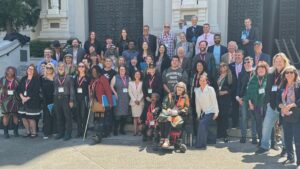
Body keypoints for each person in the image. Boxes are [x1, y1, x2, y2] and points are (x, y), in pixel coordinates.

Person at [256, 53, 290, 154]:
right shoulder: (271, 73)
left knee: (285, 128)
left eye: (280, 61)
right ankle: (264, 146)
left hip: (284, 105)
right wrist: (267, 102)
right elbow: (267, 89)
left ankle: (286, 148)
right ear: (274, 62)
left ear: (284, 62)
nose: (278, 63)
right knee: (266, 125)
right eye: (276, 61)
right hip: (272, 105)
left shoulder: (288, 73)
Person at [278, 66, 300, 168]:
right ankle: (290, 158)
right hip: (285, 115)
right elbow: (278, 99)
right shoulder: (282, 85)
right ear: (284, 75)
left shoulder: (298, 85)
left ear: (295, 74)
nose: (289, 74)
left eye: (291, 72)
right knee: (287, 138)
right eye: (287, 72)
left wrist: (290, 106)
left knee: (297, 139)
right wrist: (283, 107)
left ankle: (299, 162)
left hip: (296, 115)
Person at [158, 82, 190, 148]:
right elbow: (164, 103)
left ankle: (167, 140)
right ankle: (162, 138)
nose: (179, 88)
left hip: (179, 115)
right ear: (176, 87)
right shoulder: (170, 95)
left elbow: (187, 108)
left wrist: (178, 112)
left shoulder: (185, 97)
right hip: (169, 113)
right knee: (162, 116)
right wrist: (167, 109)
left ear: (184, 89)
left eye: (182, 87)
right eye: (178, 86)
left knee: (169, 118)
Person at [245, 61, 269, 145]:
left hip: (266, 105)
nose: (261, 70)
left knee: (268, 124)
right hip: (256, 105)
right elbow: (248, 92)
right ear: (257, 70)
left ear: (266, 70)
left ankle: (271, 142)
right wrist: (250, 103)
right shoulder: (253, 79)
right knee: (258, 124)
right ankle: (261, 140)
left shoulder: (269, 78)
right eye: (259, 68)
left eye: (263, 68)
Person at [90, 66, 113, 145]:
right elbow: (92, 91)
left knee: (101, 120)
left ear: (98, 71)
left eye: (95, 71)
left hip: (103, 103)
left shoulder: (103, 78)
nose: (94, 73)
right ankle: (102, 133)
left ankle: (98, 137)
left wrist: (110, 102)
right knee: (98, 120)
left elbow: (108, 90)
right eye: (92, 71)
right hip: (96, 103)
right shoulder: (93, 80)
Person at [236, 56, 257, 143]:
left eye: (249, 62)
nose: (247, 64)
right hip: (243, 99)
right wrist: (237, 97)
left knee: (253, 118)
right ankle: (243, 136)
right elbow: (238, 87)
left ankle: (254, 137)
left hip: (253, 99)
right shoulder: (241, 73)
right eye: (245, 62)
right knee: (244, 118)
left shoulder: (255, 73)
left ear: (252, 63)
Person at [194, 75, 219, 149]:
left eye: (204, 80)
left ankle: (201, 144)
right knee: (201, 123)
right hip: (204, 113)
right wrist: (198, 115)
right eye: (200, 80)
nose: (202, 82)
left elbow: (214, 101)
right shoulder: (197, 90)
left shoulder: (210, 89)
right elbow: (197, 103)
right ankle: (202, 143)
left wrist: (216, 113)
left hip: (211, 111)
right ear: (199, 82)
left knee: (202, 123)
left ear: (206, 81)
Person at [17, 64, 41, 138]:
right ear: (27, 70)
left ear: (34, 71)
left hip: (32, 101)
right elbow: (18, 89)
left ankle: (34, 133)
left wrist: (27, 98)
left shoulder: (36, 79)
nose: (30, 70)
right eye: (29, 69)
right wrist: (22, 97)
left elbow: (36, 91)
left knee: (31, 118)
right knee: (24, 118)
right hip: (23, 102)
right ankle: (28, 132)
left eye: (32, 69)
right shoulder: (24, 78)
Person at [53, 62, 75, 141]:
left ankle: (68, 133)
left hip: (66, 98)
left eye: (63, 66)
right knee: (59, 117)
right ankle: (61, 133)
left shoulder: (69, 77)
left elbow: (72, 89)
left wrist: (71, 100)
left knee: (67, 117)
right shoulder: (55, 77)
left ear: (65, 68)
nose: (61, 67)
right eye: (59, 66)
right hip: (56, 99)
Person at [189, 60, 209, 135]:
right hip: (194, 98)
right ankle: (196, 133)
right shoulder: (195, 75)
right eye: (198, 66)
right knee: (195, 117)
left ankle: (202, 134)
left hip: (202, 100)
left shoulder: (205, 75)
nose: (199, 67)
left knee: (202, 117)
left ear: (203, 66)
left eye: (200, 65)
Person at [110, 66, 130, 135]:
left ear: (125, 70)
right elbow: (111, 85)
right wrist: (115, 93)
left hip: (126, 98)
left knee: (124, 115)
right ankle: (115, 130)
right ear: (119, 70)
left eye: (123, 69)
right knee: (117, 115)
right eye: (121, 69)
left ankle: (122, 129)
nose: (122, 70)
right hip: (118, 97)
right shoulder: (115, 77)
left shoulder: (128, 78)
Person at [0, 66, 20, 138]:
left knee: (15, 115)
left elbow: (19, 89)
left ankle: (16, 132)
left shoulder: (17, 80)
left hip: (14, 100)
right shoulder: (2, 79)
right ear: (6, 71)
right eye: (9, 71)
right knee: (6, 116)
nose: (10, 72)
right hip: (5, 100)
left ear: (14, 72)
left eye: (12, 71)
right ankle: (6, 132)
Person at [216, 63, 232, 142]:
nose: (222, 67)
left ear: (227, 67)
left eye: (224, 66)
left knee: (225, 117)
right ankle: (219, 134)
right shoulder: (218, 76)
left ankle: (225, 135)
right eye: (221, 66)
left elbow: (232, 87)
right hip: (218, 99)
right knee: (219, 116)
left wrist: (225, 92)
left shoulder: (229, 76)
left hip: (226, 99)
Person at [229, 50, 245, 128]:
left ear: (242, 56)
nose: (238, 57)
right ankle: (235, 124)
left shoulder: (246, 65)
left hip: (244, 90)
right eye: (236, 55)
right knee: (235, 108)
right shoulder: (230, 65)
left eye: (239, 55)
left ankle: (244, 126)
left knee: (244, 109)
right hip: (234, 90)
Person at [74, 62, 90, 138]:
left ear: (85, 68)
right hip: (77, 98)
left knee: (84, 115)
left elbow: (90, 89)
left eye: (82, 66)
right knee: (78, 115)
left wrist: (90, 99)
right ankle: (79, 131)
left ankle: (84, 131)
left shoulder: (87, 77)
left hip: (84, 98)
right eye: (79, 66)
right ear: (77, 68)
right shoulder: (75, 77)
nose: (81, 68)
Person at [40, 63, 56, 139]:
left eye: (50, 68)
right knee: (46, 117)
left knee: (55, 115)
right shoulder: (42, 78)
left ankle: (54, 131)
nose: (49, 69)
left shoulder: (56, 78)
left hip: (55, 99)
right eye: (48, 68)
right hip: (46, 100)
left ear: (53, 69)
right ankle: (46, 133)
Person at [128, 70, 144, 136]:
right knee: (135, 117)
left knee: (140, 117)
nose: (137, 75)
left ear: (140, 75)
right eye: (136, 74)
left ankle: (140, 131)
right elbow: (130, 92)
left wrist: (138, 99)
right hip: (133, 102)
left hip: (140, 102)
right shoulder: (130, 83)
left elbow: (143, 92)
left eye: (138, 74)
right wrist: (135, 100)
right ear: (134, 75)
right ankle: (135, 131)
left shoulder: (142, 83)